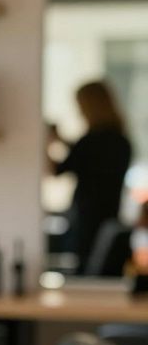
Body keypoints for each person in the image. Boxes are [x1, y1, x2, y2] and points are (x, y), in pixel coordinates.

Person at [50, 80, 132, 273]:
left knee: (83, 270)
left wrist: (47, 141)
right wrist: (63, 140)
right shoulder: (121, 141)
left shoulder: (89, 142)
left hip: (85, 219)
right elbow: (92, 160)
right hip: (110, 217)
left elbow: (59, 169)